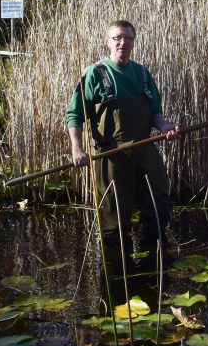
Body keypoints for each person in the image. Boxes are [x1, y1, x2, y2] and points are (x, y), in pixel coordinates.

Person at [66, 20, 180, 254]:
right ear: (107, 42)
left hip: (145, 152)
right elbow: (74, 115)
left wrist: (165, 126)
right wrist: (77, 150)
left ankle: (154, 270)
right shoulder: (94, 74)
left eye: (128, 38)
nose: (123, 43)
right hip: (112, 158)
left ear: (133, 42)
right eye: (117, 38)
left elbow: (154, 112)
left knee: (158, 210)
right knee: (114, 222)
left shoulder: (142, 73)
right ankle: (119, 274)